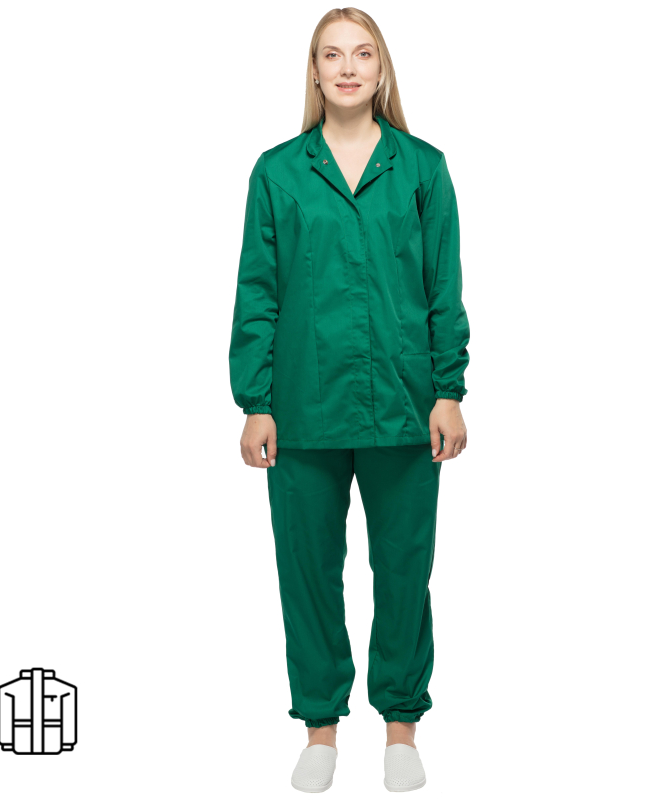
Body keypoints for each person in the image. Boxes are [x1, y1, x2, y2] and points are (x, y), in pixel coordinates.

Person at [228, 7, 470, 793]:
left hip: (405, 404)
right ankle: (320, 729)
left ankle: (401, 727)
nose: (347, 68)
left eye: (362, 54)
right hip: (303, 405)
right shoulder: (278, 172)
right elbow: (258, 290)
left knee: (404, 570)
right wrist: (255, 401)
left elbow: (443, 287)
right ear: (314, 70)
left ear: (381, 68)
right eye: (332, 55)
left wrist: (448, 390)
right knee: (307, 572)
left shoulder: (423, 168)